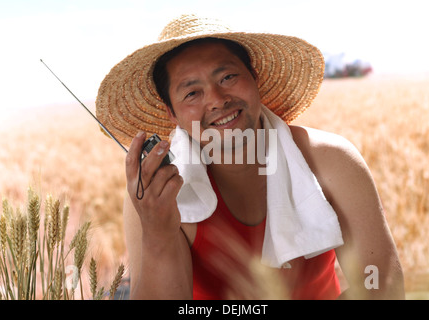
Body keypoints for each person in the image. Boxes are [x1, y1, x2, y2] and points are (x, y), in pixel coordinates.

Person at [96, 14, 404, 300]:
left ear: (254, 78)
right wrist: (157, 231)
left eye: (228, 77)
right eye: (192, 93)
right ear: (171, 114)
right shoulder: (158, 194)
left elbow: (381, 282)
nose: (217, 100)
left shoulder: (331, 161)